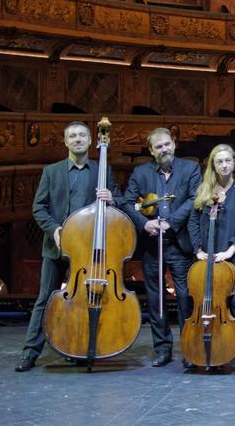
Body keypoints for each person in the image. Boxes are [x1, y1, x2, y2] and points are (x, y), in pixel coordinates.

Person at [15, 121, 122, 372]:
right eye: (72, 136)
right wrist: (54, 229)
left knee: (84, 299)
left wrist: (112, 199)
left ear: (89, 140)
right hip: (57, 246)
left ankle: (79, 348)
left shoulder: (102, 170)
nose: (77, 139)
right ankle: (30, 352)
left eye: (82, 135)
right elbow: (38, 207)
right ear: (65, 142)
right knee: (44, 299)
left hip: (88, 250)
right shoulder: (51, 171)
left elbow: (119, 206)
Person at [124, 127, 201, 368]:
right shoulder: (140, 172)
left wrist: (171, 221)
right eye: (159, 146)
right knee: (156, 299)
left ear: (174, 144)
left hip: (179, 243)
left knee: (185, 298)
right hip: (152, 244)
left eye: (167, 144)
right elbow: (128, 202)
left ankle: (189, 348)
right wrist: (145, 224)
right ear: (151, 150)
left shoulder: (190, 168)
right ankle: (162, 349)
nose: (164, 149)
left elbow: (194, 199)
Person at [187, 144, 235, 374]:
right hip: (206, 256)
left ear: (234, 162)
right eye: (219, 162)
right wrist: (197, 250)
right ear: (213, 165)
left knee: (233, 304)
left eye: (227, 161)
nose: (224, 165)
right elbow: (193, 222)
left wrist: (231, 250)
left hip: (229, 257)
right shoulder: (203, 190)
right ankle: (199, 348)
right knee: (202, 301)